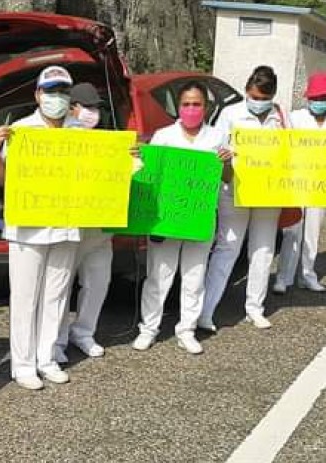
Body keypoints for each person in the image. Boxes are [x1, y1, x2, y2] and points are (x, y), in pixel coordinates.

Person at [0, 66, 78, 390]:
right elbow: (2, 180)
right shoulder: (21, 131)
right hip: (28, 228)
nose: (58, 98)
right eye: (52, 91)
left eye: (64, 92)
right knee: (26, 297)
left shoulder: (81, 133)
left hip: (67, 224)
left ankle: (48, 358)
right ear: (38, 95)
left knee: (57, 295)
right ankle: (23, 364)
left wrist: (125, 156)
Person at [131, 81, 232, 354]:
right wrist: (139, 155)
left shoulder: (216, 137)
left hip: (199, 220)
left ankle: (186, 329)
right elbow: (148, 173)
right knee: (159, 276)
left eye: (196, 104)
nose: (191, 109)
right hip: (166, 219)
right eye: (186, 104)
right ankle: (149, 329)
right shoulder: (163, 136)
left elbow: (227, 178)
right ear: (178, 107)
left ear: (206, 107)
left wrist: (226, 163)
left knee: (194, 276)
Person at [200, 66, 286, 331]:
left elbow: (291, 151)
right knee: (228, 248)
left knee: (263, 250)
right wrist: (223, 156)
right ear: (247, 91)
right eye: (253, 96)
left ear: (272, 96)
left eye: (263, 98)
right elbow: (216, 148)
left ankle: (254, 308)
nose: (258, 103)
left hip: (269, 193)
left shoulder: (280, 117)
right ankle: (206, 311)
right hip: (233, 190)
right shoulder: (231, 114)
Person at [56, 82, 111, 359]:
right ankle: (57, 340)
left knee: (98, 281)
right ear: (72, 107)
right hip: (70, 226)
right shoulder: (59, 139)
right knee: (61, 284)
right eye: (87, 107)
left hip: (100, 229)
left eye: (95, 108)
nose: (92, 113)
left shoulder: (106, 140)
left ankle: (84, 333)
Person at [273, 72, 326, 294]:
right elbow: (281, 136)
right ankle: (283, 278)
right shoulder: (296, 117)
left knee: (312, 231)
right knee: (293, 229)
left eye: (323, 98)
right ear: (307, 98)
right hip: (296, 181)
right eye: (314, 98)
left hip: (319, 184)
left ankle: (307, 275)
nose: (318, 102)